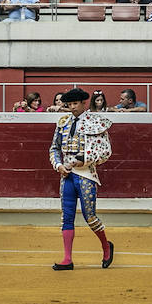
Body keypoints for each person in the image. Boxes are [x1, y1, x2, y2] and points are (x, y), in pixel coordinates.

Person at [49, 87, 116, 271]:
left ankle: (105, 247)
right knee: (67, 218)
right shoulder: (63, 123)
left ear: (84, 103)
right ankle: (67, 259)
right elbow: (54, 149)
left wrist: (84, 160)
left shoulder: (95, 122)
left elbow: (105, 152)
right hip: (67, 176)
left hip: (86, 175)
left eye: (75, 104)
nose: (72, 107)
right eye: (69, 104)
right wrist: (58, 165)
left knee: (90, 217)